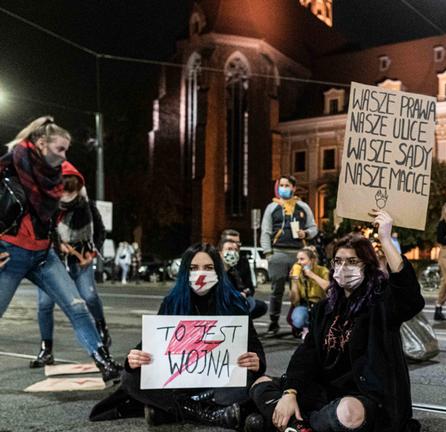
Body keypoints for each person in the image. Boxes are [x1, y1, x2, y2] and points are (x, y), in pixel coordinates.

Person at [245, 210, 424, 432]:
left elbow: (409, 297)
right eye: (338, 261)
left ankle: (293, 424)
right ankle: (300, 425)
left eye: (352, 261)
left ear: (366, 266)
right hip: (324, 392)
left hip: (366, 398)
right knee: (261, 383)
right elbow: (306, 354)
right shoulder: (325, 307)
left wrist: (385, 239)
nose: (343, 268)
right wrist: (290, 393)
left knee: (348, 413)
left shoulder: (381, 303)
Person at [90, 243, 267, 428]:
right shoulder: (172, 302)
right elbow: (152, 344)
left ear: (218, 271)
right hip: (181, 381)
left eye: (208, 268)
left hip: (219, 381)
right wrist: (133, 359)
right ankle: (207, 413)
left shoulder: (234, 302)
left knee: (250, 380)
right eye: (193, 268)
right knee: (130, 377)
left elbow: (254, 346)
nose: (201, 274)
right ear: (185, 272)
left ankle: (169, 410)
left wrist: (256, 362)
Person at [0, 116, 121, 382]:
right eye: (60, 149)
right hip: (11, 253)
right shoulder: (12, 165)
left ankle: (105, 363)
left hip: (44, 254)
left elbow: (75, 197)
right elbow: (15, 145)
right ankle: (49, 349)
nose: (65, 155)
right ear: (41, 143)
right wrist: (33, 127)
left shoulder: (56, 177)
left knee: (77, 306)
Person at [31, 162, 111, 368]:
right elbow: (38, 231)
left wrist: (92, 253)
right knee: (44, 305)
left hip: (80, 259)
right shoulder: (45, 206)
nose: (66, 197)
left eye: (71, 192)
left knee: (89, 296)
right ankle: (46, 350)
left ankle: (102, 328)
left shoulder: (87, 206)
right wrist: (56, 245)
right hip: (51, 261)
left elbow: (100, 232)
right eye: (62, 191)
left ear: (78, 189)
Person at [260, 175, 318, 335]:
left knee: (299, 290)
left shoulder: (303, 207)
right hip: (278, 253)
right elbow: (265, 231)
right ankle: (273, 323)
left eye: (287, 185)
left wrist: (305, 233)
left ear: (293, 188)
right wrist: (268, 253)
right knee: (276, 290)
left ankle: (297, 325)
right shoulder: (272, 207)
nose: (283, 188)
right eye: (281, 185)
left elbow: (314, 228)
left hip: (297, 255)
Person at [219, 235, 268, 320]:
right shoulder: (215, 270)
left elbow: (249, 287)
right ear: (220, 252)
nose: (233, 252)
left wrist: (245, 292)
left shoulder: (235, 270)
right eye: (229, 249)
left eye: (235, 249)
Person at [288, 247, 329, 337]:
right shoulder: (298, 273)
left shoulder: (322, 270)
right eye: (297, 259)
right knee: (298, 321)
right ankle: (307, 327)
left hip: (320, 303)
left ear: (312, 260)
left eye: (302, 259)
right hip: (305, 304)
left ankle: (314, 328)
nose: (298, 262)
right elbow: (295, 301)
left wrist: (312, 275)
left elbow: (329, 288)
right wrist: (294, 281)